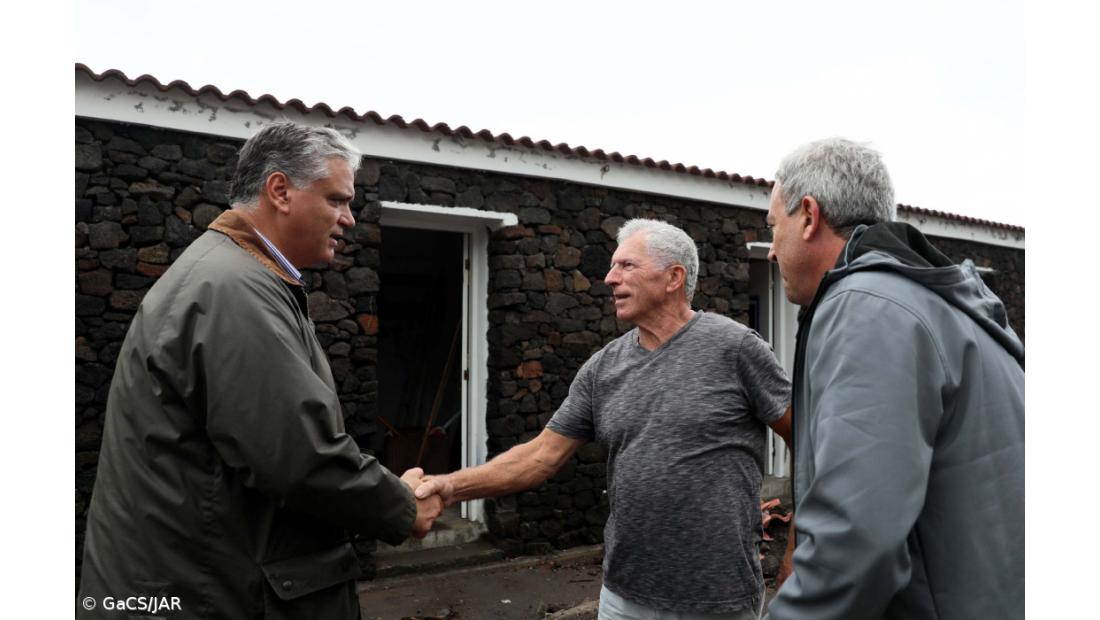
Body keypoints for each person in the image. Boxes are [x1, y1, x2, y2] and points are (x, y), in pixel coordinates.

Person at [78, 122, 443, 619]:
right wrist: (401, 505)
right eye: (337, 200)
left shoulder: (233, 276)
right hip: (207, 596)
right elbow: (299, 457)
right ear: (280, 191)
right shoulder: (234, 291)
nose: (349, 219)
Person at [415, 219, 792, 619]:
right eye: (613, 266)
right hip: (623, 598)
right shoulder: (603, 369)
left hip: (719, 599)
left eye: (627, 266)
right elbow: (540, 456)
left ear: (673, 278)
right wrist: (450, 486)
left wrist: (798, 553)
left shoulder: (735, 349)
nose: (610, 278)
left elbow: (808, 444)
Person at [761, 138, 1024, 620]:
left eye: (773, 227)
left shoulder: (866, 307)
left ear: (809, 215)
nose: (772, 253)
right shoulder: (942, 302)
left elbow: (856, 539)